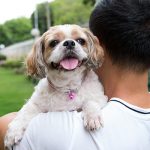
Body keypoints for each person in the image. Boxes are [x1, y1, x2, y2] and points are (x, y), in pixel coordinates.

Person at [0, 0, 150, 149]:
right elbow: (33, 107)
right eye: (54, 43)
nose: (69, 44)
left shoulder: (62, 132)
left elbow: (4, 127)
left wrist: (90, 106)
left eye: (79, 41)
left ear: (97, 44)